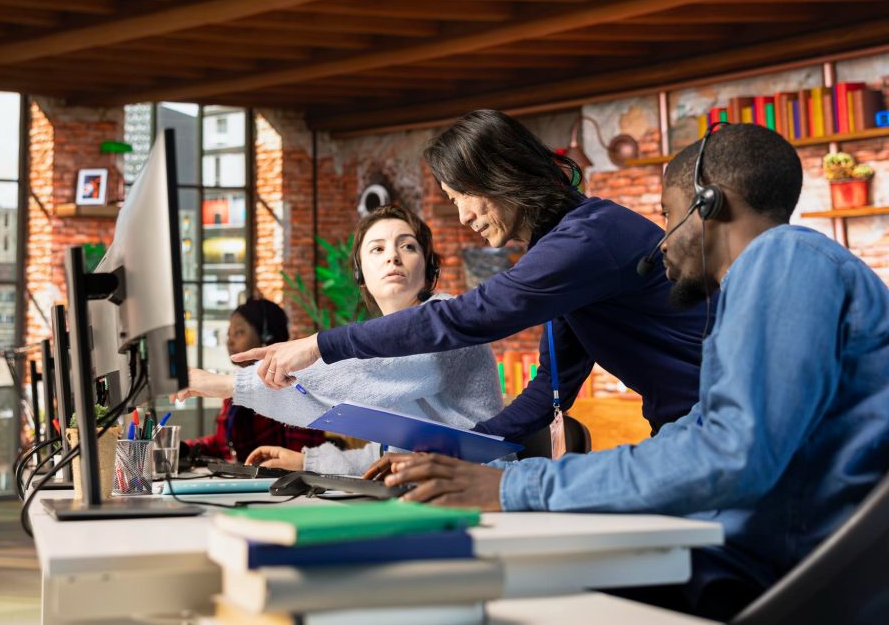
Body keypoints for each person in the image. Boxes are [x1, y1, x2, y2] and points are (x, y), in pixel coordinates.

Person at [367, 123, 889, 620]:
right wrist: (502, 477)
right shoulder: (757, 288)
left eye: (668, 214)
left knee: (496, 583)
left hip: (777, 562)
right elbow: (698, 436)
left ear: (710, 204)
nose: (661, 241)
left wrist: (511, 489)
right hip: (753, 544)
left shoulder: (785, 257)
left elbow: (729, 456)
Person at [237, 109, 711, 439]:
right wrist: (464, 451)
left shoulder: (586, 240)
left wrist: (319, 345)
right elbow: (552, 388)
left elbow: (464, 318)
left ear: (501, 174)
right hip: (688, 426)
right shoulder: (567, 247)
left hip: (715, 423)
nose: (463, 216)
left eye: (463, 195)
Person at [172, 205, 503, 475]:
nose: (393, 256)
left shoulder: (444, 319)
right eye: (378, 249)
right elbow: (394, 451)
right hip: (444, 480)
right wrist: (308, 462)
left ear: (429, 269)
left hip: (483, 487)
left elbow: (363, 374)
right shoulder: (387, 343)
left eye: (408, 246)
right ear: (361, 274)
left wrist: (226, 384)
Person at [181, 298, 327, 464]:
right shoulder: (236, 385)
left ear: (267, 337)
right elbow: (224, 445)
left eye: (238, 333)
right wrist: (186, 448)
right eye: (229, 334)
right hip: (245, 478)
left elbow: (299, 458)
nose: (229, 341)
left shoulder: (292, 385)